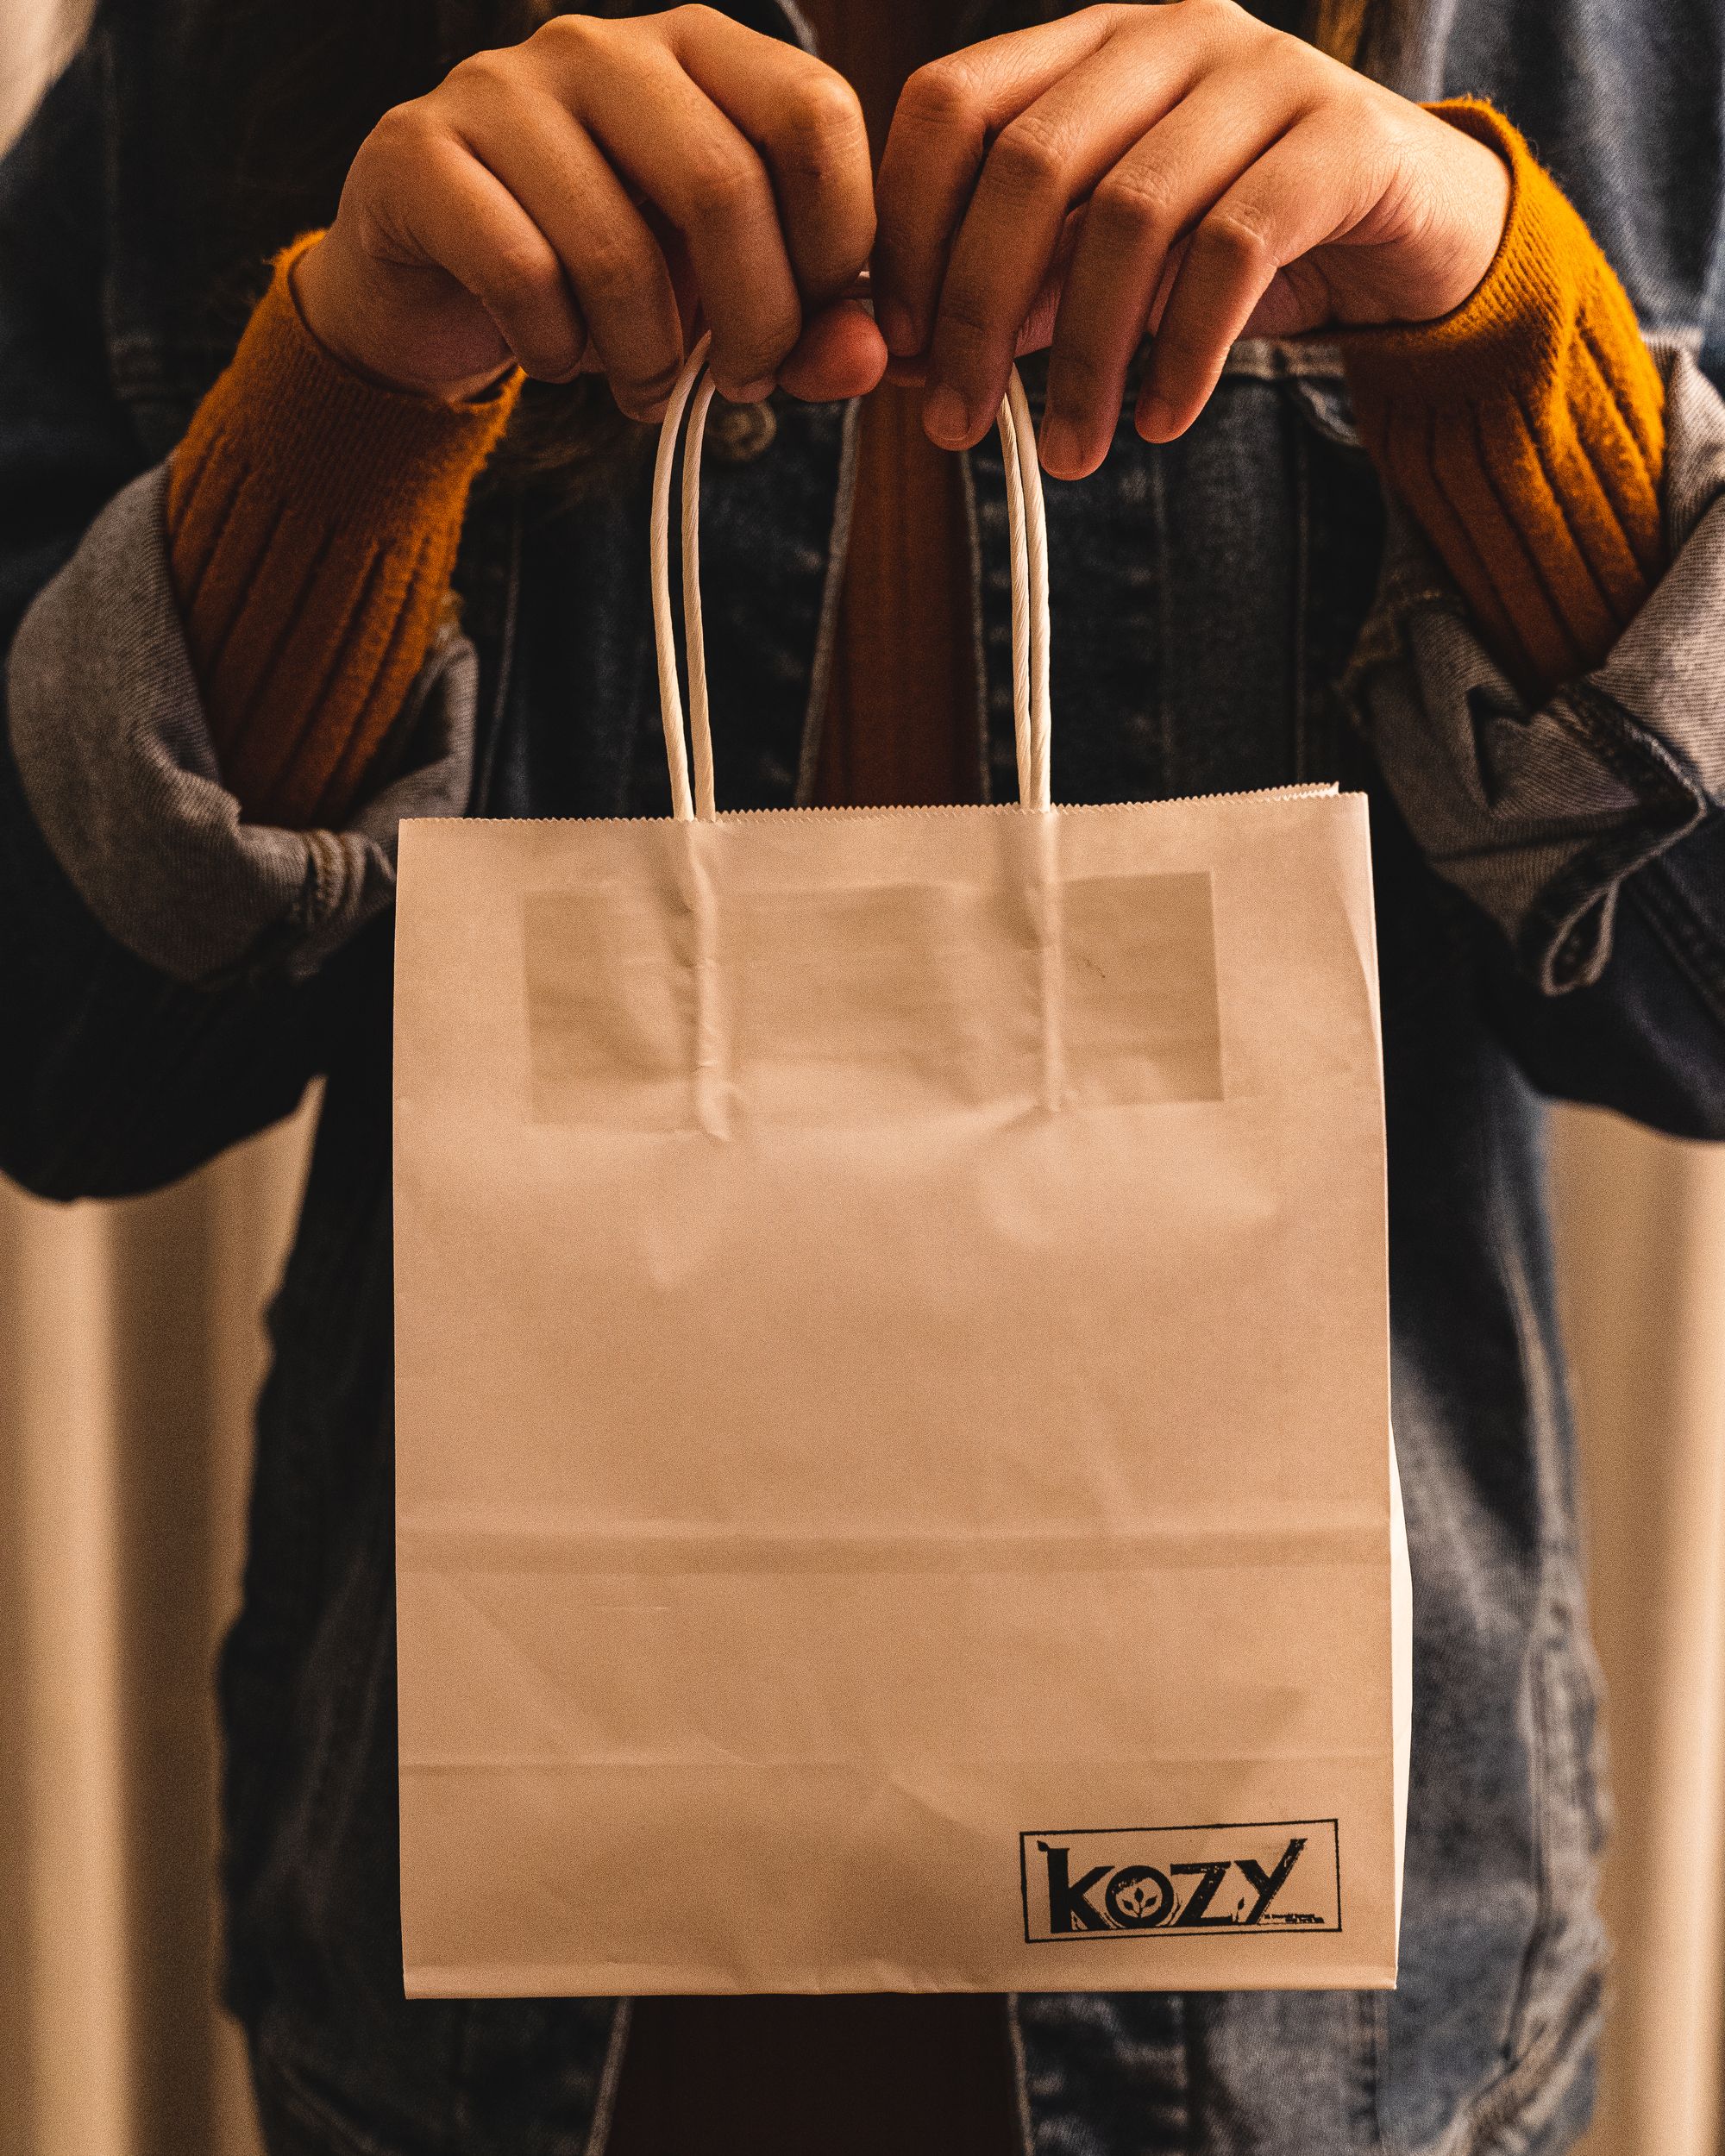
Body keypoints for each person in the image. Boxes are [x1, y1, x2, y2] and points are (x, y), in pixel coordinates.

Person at [3, 0, 1723, 2150]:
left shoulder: (1600, 42)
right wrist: (345, 400)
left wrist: (1496, 337)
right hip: (483, 2034)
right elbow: (63, 1053)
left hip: (1339, 2045)